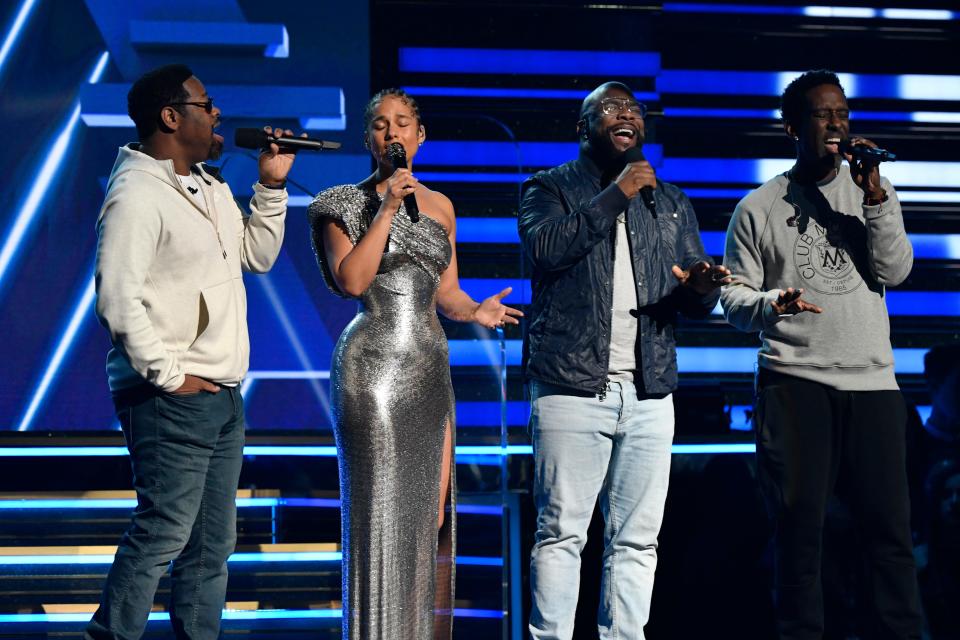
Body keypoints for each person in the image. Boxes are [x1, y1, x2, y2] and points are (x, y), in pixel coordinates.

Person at [87, 64, 299, 640]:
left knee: (210, 545)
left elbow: (254, 255)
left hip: (221, 395)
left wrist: (272, 186)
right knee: (164, 533)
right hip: (172, 396)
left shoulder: (208, 184)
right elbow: (116, 297)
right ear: (171, 116)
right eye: (207, 104)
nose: (217, 114)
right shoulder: (135, 194)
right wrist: (168, 375)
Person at [518, 81, 730, 640]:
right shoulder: (550, 187)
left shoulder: (671, 201)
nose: (626, 113)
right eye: (610, 107)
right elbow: (545, 250)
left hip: (648, 389)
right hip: (570, 384)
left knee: (638, 538)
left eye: (633, 108)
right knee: (562, 533)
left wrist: (704, 286)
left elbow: (688, 289)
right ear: (584, 127)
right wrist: (615, 195)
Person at [307, 88, 521, 640]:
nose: (392, 133)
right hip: (371, 370)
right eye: (380, 125)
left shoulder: (442, 207)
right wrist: (384, 207)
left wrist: (476, 309)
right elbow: (351, 280)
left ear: (420, 137)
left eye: (403, 123)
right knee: (380, 517)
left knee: (429, 519)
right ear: (368, 139)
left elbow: (444, 294)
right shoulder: (340, 203)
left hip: (429, 370)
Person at [721, 69, 922, 639]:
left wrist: (875, 197)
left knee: (890, 535)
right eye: (821, 114)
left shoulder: (872, 193)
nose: (836, 125)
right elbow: (733, 301)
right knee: (799, 531)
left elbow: (897, 271)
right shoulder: (758, 206)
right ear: (791, 127)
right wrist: (771, 303)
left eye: (842, 113)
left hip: (875, 384)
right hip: (795, 381)